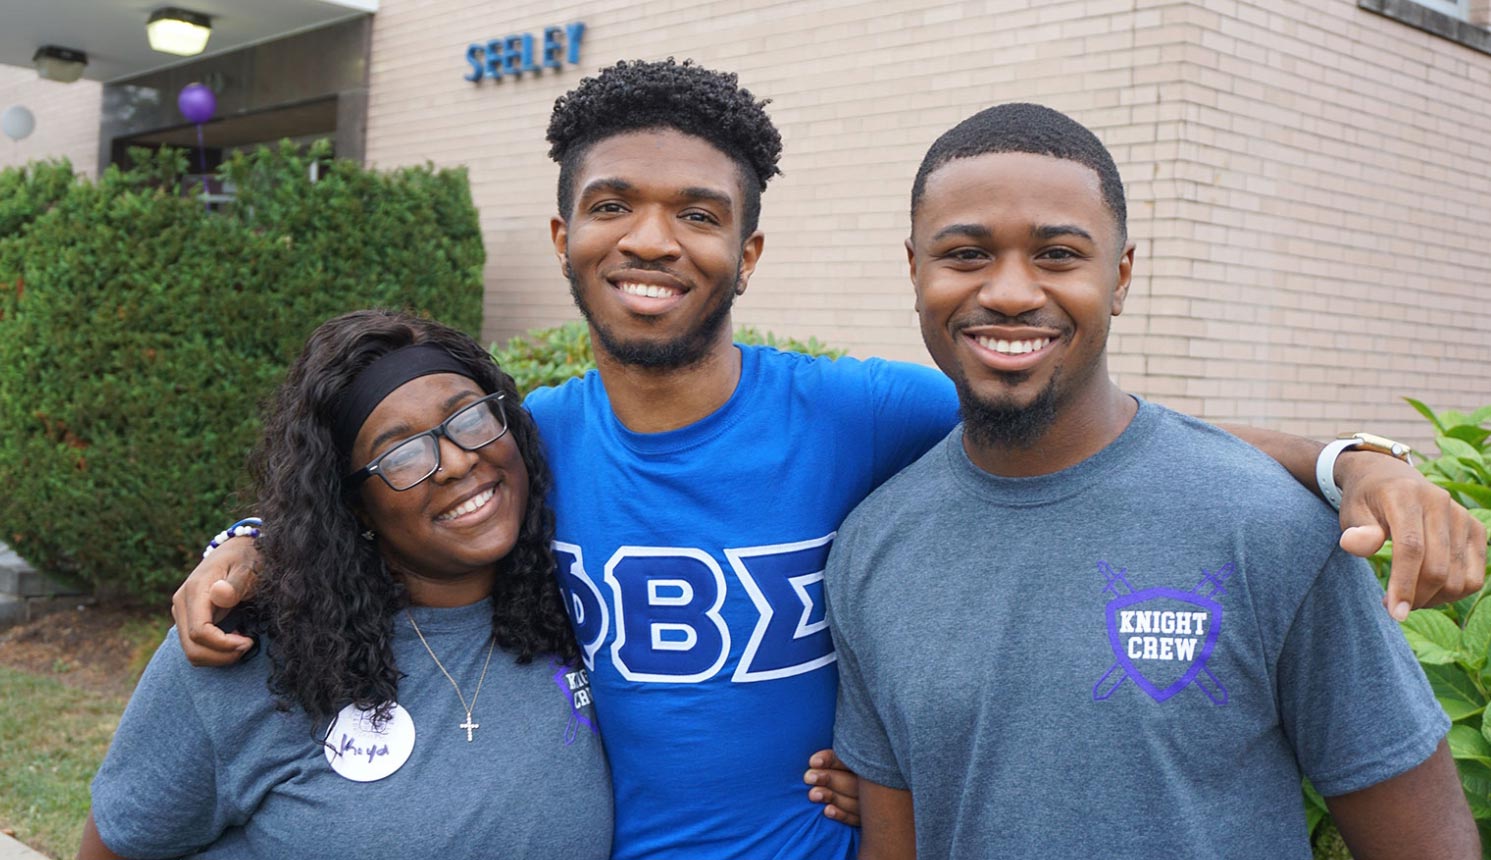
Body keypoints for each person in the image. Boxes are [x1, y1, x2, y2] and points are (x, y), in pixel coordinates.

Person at [171, 61, 1486, 859]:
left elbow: (1095, 428)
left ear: (747, 255)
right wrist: (253, 545)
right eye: (614, 206)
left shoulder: (858, 415)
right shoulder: (528, 446)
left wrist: (1342, 461)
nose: (652, 240)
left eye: (699, 215)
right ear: (563, 231)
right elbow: (394, 486)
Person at [827, 103, 1479, 859]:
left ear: (1121, 275)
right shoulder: (872, 544)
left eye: (1058, 255)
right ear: (915, 270)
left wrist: (1363, 458)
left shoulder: (1268, 527)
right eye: (966, 254)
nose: (1008, 291)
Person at [79, 310, 610, 859]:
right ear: (351, 502)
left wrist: (246, 539)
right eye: (400, 454)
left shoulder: (579, 597)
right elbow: (115, 847)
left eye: (470, 418)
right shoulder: (245, 650)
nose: (455, 461)